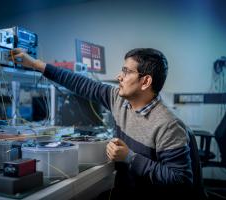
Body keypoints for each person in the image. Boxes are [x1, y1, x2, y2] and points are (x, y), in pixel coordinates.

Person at [10, 48, 194, 199]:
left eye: (126, 71)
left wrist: (130, 157)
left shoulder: (168, 125)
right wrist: (34, 64)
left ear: (145, 81)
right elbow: (79, 83)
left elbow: (181, 179)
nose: (118, 76)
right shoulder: (119, 100)